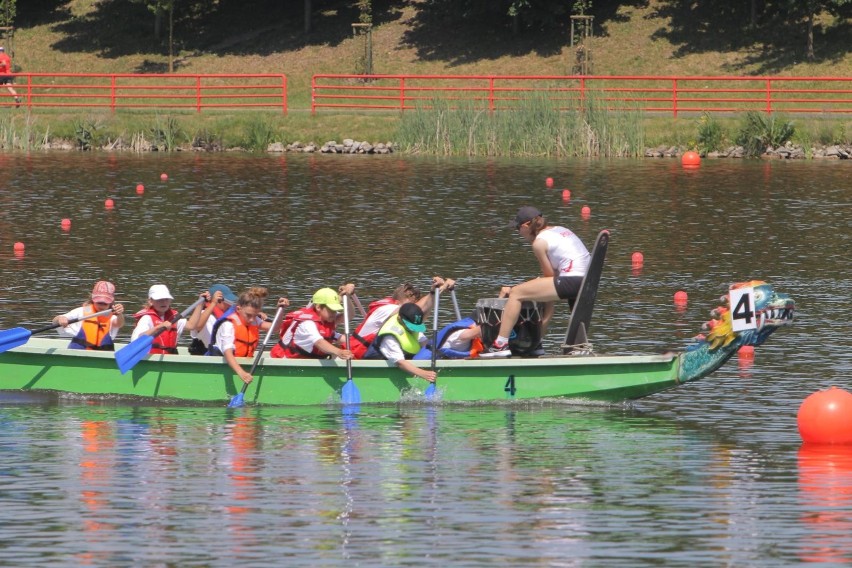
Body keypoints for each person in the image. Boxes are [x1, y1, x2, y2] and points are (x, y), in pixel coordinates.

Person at [483, 206, 590, 358]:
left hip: (572, 280)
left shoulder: (539, 243)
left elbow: (548, 275)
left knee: (516, 293)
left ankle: (500, 344)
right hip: (587, 281)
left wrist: (529, 284)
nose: (518, 233)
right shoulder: (560, 229)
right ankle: (536, 344)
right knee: (544, 295)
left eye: (517, 228)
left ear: (527, 225)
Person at [349, 276, 455, 359]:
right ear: (397, 302)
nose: (413, 312)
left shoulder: (406, 323)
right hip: (357, 357)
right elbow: (413, 310)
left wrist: (444, 355)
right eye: (409, 305)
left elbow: (420, 316)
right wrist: (435, 290)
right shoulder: (385, 309)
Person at [207, 287, 290, 385]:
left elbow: (275, 328)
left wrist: (280, 310)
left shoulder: (254, 320)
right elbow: (227, 352)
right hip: (225, 364)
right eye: (248, 315)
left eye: (255, 315)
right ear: (238, 309)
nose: (252, 320)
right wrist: (241, 373)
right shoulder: (228, 325)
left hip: (243, 362)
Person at [270, 287, 353, 360]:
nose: (334, 313)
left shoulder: (326, 319)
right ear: (318, 307)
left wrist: (347, 297)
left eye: (335, 310)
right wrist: (339, 352)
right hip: (286, 361)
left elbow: (349, 315)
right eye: (331, 310)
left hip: (306, 359)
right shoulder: (307, 324)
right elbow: (319, 342)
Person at [364, 302, 436, 383]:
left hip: (402, 362)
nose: (413, 329)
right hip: (376, 371)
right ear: (399, 318)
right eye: (410, 327)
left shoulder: (412, 326)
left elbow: (425, 344)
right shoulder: (389, 336)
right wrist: (423, 374)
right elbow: (400, 362)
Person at [52, 280, 125, 350]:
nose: (101, 306)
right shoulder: (81, 312)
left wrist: (119, 314)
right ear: (93, 299)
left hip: (102, 354)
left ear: (111, 302)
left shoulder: (112, 316)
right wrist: (61, 318)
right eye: (99, 302)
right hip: (79, 354)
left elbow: (119, 324)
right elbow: (55, 320)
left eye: (105, 303)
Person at [130, 284, 187, 355]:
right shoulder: (147, 318)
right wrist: (159, 327)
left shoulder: (172, 318)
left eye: (166, 299)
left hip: (169, 359)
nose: (164, 302)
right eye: (159, 299)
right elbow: (138, 340)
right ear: (151, 301)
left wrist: (200, 305)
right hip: (151, 359)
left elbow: (194, 326)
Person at [185, 283, 238, 355]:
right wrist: (213, 303)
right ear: (218, 301)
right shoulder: (205, 315)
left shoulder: (225, 317)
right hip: (205, 356)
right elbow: (197, 326)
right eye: (228, 301)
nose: (229, 305)